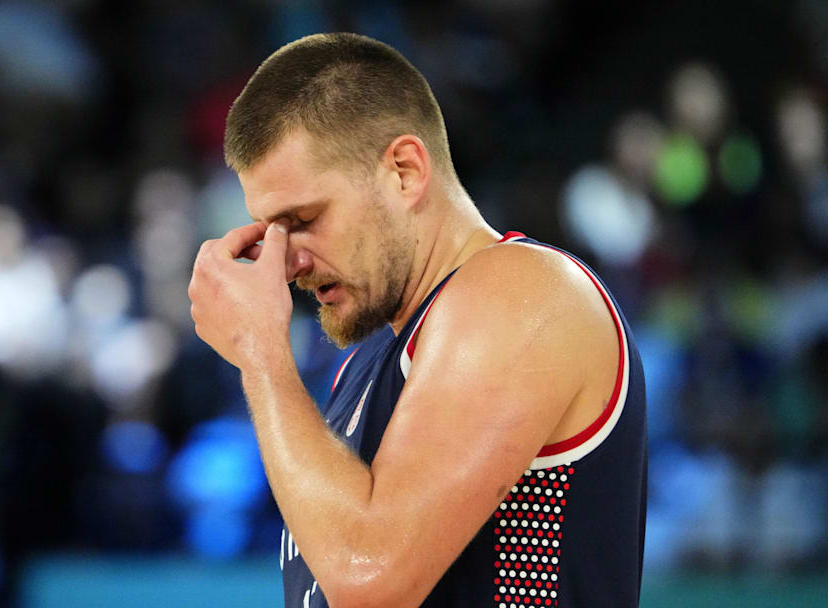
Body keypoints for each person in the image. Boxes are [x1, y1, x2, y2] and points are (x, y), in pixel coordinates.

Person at [188, 32, 646, 608]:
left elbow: (369, 580)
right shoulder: (361, 366)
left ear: (404, 171)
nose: (289, 264)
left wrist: (259, 352)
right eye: (270, 232)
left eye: (303, 219)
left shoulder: (523, 290)